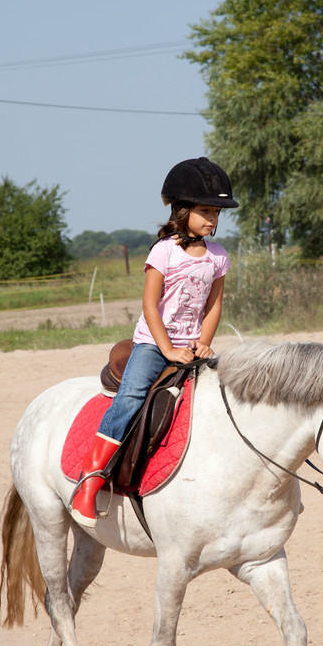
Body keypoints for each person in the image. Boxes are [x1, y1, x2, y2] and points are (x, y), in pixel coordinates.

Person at [70, 156, 239, 526]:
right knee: (131, 396)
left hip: (191, 345)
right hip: (153, 343)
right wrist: (166, 349)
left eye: (217, 212)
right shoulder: (163, 251)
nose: (212, 218)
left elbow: (214, 305)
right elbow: (150, 305)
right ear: (182, 210)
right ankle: (90, 480)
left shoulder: (218, 256)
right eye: (205, 210)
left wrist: (204, 343)